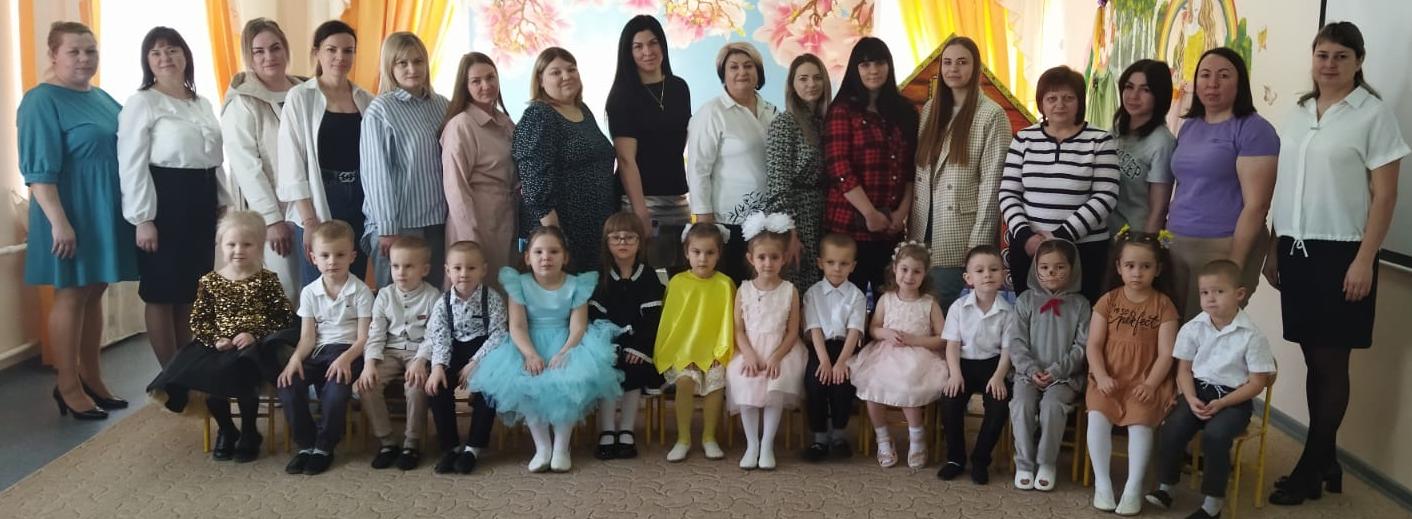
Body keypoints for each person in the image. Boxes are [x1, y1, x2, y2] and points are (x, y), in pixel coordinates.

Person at [1265, 21, 1408, 506]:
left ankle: (1310, 468)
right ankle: (1326, 460)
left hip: (1343, 254)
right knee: (1313, 358)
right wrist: (1274, 244)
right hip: (1296, 248)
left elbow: (1385, 197)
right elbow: (1286, 183)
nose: (1329, 64)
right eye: (1322, 55)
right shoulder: (1299, 111)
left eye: (1341, 56)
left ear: (1359, 62)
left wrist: (1365, 260)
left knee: (1330, 362)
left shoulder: (1373, 114)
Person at [20, 21, 138, 420]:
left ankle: (92, 377)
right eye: (74, 51)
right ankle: (67, 384)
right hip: (68, 211)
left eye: (91, 51)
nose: (84, 59)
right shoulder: (41, 100)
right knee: (70, 293)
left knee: (94, 290)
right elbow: (38, 171)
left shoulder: (101, 97)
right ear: (53, 55)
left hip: (103, 210)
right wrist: (59, 222)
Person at [468, 226, 624, 473]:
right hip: (527, 343)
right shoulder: (519, 284)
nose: (546, 257)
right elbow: (517, 325)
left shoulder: (577, 285)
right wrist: (530, 354)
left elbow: (578, 326)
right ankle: (542, 447)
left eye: (553, 252)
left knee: (568, 382)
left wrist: (565, 352)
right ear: (527, 257)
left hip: (567, 341)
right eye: (538, 252)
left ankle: (561, 447)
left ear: (565, 257)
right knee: (527, 382)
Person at [118, 26, 229, 367]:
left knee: (190, 290)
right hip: (164, 200)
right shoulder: (142, 102)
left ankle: (187, 367)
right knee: (162, 292)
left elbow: (214, 156)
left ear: (185, 55)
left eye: (172, 50)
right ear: (147, 61)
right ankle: (169, 375)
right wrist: (143, 219)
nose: (165, 57)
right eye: (156, 52)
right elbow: (131, 163)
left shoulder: (201, 102)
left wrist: (222, 202)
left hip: (202, 198)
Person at [146, 211, 293, 462]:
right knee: (210, 380)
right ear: (220, 245)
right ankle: (227, 429)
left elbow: (283, 317)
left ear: (260, 247)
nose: (238, 250)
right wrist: (216, 339)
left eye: (247, 244)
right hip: (217, 345)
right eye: (231, 244)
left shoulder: (266, 280)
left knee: (243, 377)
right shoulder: (210, 281)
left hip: (255, 347)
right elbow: (199, 320)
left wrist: (254, 333)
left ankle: (249, 432)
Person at [1147, 260, 1276, 518]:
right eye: (1205, 292)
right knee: (1172, 427)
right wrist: (1190, 397)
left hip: (1233, 399)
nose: (1210, 298)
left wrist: (1223, 403)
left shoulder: (1252, 336)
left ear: (1239, 294)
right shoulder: (1193, 327)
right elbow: (1183, 370)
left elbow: (1256, 383)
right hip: (1197, 391)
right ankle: (1166, 488)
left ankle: (1212, 504)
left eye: (1219, 291)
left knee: (1215, 436)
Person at [1166, 48, 1278, 320]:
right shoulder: (1190, 126)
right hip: (1176, 244)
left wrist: (1234, 264)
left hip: (1223, 245)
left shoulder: (1254, 130)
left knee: (1211, 330)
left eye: (1224, 76)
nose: (1212, 83)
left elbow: (1257, 205)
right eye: (1205, 75)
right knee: (1175, 331)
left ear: (1240, 83)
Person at [999, 65, 1119, 301]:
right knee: (1029, 312)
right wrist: (1025, 236)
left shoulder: (1100, 140)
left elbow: (1106, 196)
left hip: (1083, 250)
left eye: (1068, 98)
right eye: (1051, 98)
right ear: (1041, 103)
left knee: (1080, 314)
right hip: (1028, 248)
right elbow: (1008, 192)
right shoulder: (1024, 139)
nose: (1060, 104)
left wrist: (1061, 237)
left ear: (1080, 101)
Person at [911, 36, 1012, 311]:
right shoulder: (930, 109)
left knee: (947, 310)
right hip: (923, 227)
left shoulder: (991, 115)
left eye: (962, 62)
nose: (953, 68)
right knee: (922, 311)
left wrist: (979, 244)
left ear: (975, 67)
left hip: (960, 232)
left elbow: (992, 184)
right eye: (947, 62)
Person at [1086, 230, 1180, 514]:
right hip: (1108, 378)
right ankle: (1102, 484)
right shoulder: (1108, 301)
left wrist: (1151, 384)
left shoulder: (1164, 305)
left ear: (1158, 269)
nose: (1137, 273)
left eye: (1145, 266)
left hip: (1146, 380)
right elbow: (1093, 345)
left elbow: (1167, 353)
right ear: (1119, 267)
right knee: (1097, 418)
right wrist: (1101, 376)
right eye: (1130, 265)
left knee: (1140, 425)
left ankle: (1132, 488)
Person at [277, 20, 374, 286]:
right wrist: (309, 221)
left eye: (348, 51)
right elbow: (292, 161)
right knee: (320, 286)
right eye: (332, 49)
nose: (340, 57)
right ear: (317, 52)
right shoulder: (300, 97)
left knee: (354, 285)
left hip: (360, 197)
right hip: (320, 197)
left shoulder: (367, 99)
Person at [823, 37, 919, 296]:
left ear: (889, 66)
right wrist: (869, 213)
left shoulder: (905, 112)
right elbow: (839, 167)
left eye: (879, 63)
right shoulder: (842, 110)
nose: (873, 70)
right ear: (855, 69)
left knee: (891, 301)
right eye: (865, 65)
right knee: (845, 303)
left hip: (890, 229)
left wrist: (901, 213)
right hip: (848, 229)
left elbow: (911, 168)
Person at [276, 220, 373, 476]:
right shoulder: (309, 292)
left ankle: (324, 447)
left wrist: (345, 359)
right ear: (313, 258)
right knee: (287, 383)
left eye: (340, 255)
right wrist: (294, 360)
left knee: (336, 391)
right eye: (325, 255)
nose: (332, 261)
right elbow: (308, 337)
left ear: (352, 256)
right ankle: (306, 444)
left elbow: (364, 338)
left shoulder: (361, 291)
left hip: (349, 352)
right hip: (317, 352)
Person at [221, 17, 305, 301]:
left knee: (314, 292)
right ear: (249, 56)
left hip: (309, 209)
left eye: (275, 48)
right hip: (273, 215)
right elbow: (247, 168)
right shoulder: (242, 101)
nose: (269, 57)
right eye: (259, 51)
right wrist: (272, 220)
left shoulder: (306, 92)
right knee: (284, 292)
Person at [512, 48, 617, 274]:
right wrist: (555, 236)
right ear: (541, 80)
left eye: (571, 69)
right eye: (556, 72)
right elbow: (533, 181)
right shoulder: (539, 115)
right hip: (561, 231)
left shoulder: (583, 110)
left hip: (593, 228)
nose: (566, 76)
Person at [360, 32, 450, 288]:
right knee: (396, 302)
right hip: (398, 225)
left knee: (432, 301)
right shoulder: (381, 110)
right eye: (403, 63)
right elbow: (376, 174)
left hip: (437, 220)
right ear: (390, 67)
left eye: (418, 61)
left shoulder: (442, 105)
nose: (412, 69)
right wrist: (387, 227)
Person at [848, 242, 948, 469]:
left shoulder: (929, 304)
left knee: (908, 385)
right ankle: (883, 438)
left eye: (916, 271)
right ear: (895, 269)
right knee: (871, 388)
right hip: (885, 354)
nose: (909, 276)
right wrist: (885, 333)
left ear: (925, 274)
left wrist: (914, 340)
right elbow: (873, 328)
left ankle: (917, 438)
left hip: (919, 357)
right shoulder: (887, 299)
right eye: (904, 269)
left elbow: (942, 338)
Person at [686, 42, 779, 281]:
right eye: (734, 67)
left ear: (758, 72)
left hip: (767, 222)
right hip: (728, 223)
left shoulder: (772, 112)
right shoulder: (711, 112)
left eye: (748, 66)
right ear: (723, 75)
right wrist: (704, 221)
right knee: (732, 287)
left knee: (763, 289)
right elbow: (698, 169)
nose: (742, 72)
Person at [606, 15, 692, 270]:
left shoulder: (679, 88)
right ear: (628, 53)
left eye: (653, 43)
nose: (647, 52)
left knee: (683, 275)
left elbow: (679, 144)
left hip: (678, 198)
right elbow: (626, 160)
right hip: (641, 201)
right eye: (638, 46)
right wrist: (640, 211)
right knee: (648, 277)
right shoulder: (622, 96)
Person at [727, 212, 807, 470]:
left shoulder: (790, 291)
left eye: (774, 257)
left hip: (781, 351)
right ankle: (752, 444)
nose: (768, 263)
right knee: (745, 383)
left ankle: (767, 445)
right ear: (751, 259)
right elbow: (738, 329)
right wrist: (749, 354)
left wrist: (776, 356)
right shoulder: (743, 289)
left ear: (783, 259)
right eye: (762, 257)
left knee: (776, 386)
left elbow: (792, 332)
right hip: (749, 348)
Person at [419, 241, 508, 474]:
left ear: (483, 270)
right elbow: (440, 337)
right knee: (437, 386)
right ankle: (450, 446)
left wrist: (475, 362)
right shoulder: (442, 303)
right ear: (448, 271)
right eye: (457, 268)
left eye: (471, 268)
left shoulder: (492, 299)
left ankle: (473, 448)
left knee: (489, 389)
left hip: (484, 351)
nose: (464, 274)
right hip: (452, 349)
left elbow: (499, 334)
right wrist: (438, 367)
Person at [1007, 240, 1088, 492]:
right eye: (1044, 267)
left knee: (1052, 407)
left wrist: (1056, 371)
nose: (1051, 272)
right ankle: (1024, 463)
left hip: (1064, 377)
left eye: (1059, 267)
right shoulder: (1025, 300)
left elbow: (1081, 347)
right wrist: (1031, 369)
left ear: (1072, 269)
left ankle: (1047, 463)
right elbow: (1016, 341)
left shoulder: (1081, 305)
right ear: (1036, 269)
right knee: (1021, 404)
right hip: (1027, 374)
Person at [354, 236, 438, 471]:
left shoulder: (433, 296)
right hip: (389, 351)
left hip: (418, 352)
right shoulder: (384, 295)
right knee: (367, 384)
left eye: (408, 266)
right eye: (395, 266)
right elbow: (376, 334)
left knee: (416, 386)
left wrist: (421, 361)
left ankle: (412, 443)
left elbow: (434, 335)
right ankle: (387, 442)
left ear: (424, 270)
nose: (401, 272)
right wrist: (369, 364)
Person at [654, 223, 735, 462]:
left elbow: (729, 323)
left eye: (710, 253)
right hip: (683, 351)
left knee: (715, 384)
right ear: (686, 252)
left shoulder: (725, 284)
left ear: (719, 254)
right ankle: (683, 439)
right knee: (684, 382)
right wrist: (679, 354)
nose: (702, 258)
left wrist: (720, 353)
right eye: (696, 252)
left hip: (715, 351)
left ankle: (709, 437)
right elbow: (670, 324)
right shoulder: (677, 283)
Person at [589, 212, 667, 460]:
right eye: (616, 238)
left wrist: (639, 348)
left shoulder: (649, 276)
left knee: (634, 368)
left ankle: (626, 429)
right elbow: (594, 317)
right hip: (606, 344)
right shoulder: (600, 276)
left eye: (629, 237)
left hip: (639, 344)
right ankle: (607, 429)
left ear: (639, 242)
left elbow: (653, 319)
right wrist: (607, 347)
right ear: (607, 242)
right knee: (607, 370)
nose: (622, 242)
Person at [937, 246, 1014, 484]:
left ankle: (981, 458)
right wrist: (954, 374)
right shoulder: (958, 307)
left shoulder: (1008, 312)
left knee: (999, 405)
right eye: (979, 271)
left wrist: (999, 376)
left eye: (994, 269)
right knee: (950, 400)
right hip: (963, 364)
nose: (987, 275)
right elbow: (952, 345)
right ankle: (955, 458)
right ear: (968, 278)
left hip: (994, 366)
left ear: (1003, 275)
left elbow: (1008, 350)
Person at [441, 52, 517, 284]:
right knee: (475, 288)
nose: (486, 85)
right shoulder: (461, 125)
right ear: (465, 87)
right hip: (476, 220)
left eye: (490, 77)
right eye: (476, 81)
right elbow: (456, 187)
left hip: (506, 217)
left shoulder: (505, 122)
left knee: (503, 290)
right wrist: (469, 238)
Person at [763, 53, 831, 288]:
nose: (811, 84)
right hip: (797, 215)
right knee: (799, 281)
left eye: (817, 77)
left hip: (823, 212)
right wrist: (789, 233)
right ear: (792, 85)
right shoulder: (784, 123)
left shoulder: (825, 122)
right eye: (803, 78)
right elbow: (778, 184)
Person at [800, 233, 866, 461]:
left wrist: (841, 363)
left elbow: (854, 331)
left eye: (844, 263)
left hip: (846, 348)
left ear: (853, 266)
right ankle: (819, 438)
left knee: (843, 384)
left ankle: (838, 434)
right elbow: (814, 328)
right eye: (831, 262)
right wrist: (825, 362)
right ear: (820, 263)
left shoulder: (857, 296)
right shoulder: (812, 293)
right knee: (815, 382)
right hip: (819, 348)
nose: (837, 268)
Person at [1109, 59, 1176, 234]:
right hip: (1103, 232)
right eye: (1129, 87)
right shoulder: (1116, 130)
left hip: (1133, 237)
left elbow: (1158, 209)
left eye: (1145, 90)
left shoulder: (1162, 142)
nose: (1133, 96)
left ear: (1159, 95)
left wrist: (1145, 244)